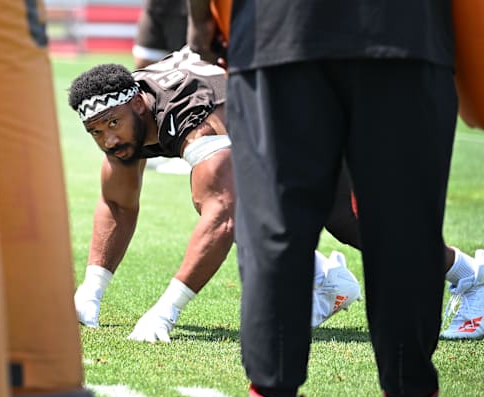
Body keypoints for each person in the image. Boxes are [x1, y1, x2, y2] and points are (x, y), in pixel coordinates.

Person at [186, 0, 484, 343]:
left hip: (321, 40)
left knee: (374, 218)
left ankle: (465, 278)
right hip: (300, 41)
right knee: (306, 215)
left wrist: (200, 21)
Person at [67, 48, 362, 344]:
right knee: (246, 207)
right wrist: (91, 290)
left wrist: (165, 312)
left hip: (304, 111)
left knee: (346, 219)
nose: (109, 139)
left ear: (138, 105)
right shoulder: (126, 111)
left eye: (113, 124)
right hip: (261, 120)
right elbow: (118, 205)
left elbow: (222, 218)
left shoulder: (193, 119)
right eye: (96, 132)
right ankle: (326, 280)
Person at [133, 0, 194, 175]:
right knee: (144, 65)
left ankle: (188, 143)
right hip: (159, 5)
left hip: (190, 7)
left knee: (192, 65)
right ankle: (155, 140)